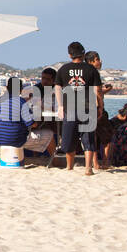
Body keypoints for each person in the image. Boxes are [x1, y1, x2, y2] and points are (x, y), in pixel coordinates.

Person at [55, 41, 103, 175]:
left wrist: (60, 106)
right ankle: (88, 168)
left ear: (70, 55)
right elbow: (97, 90)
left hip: (69, 108)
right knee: (88, 138)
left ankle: (69, 167)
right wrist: (99, 106)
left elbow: (57, 88)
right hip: (88, 107)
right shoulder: (91, 69)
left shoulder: (63, 69)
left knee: (69, 139)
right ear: (83, 53)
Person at [0, 76, 36, 161]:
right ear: (21, 89)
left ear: (7, 88)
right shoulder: (21, 102)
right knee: (48, 134)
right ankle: (53, 161)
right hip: (14, 139)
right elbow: (32, 124)